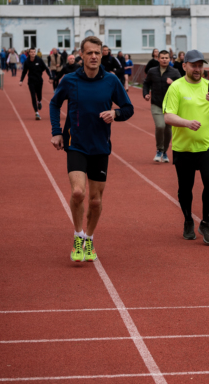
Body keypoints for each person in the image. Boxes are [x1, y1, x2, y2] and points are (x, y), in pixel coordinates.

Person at [49, 35, 134, 262]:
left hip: (100, 147)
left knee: (95, 201)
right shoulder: (69, 80)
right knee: (78, 192)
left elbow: (128, 108)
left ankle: (90, 238)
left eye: (97, 52)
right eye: (90, 53)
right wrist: (56, 131)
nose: (94, 56)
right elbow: (55, 102)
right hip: (75, 144)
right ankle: (78, 236)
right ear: (82, 55)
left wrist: (115, 113)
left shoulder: (111, 81)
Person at [163, 50, 209, 244]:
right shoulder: (176, 87)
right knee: (185, 188)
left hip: (208, 145)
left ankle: (206, 223)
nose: (198, 69)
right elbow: (167, 116)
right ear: (184, 66)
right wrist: (186, 123)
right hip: (183, 147)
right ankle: (187, 220)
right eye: (194, 65)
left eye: (200, 65)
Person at [143, 50, 181, 163]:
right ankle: (159, 150)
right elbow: (146, 83)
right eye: (162, 58)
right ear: (158, 59)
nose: (164, 59)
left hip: (170, 105)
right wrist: (145, 93)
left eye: (166, 58)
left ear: (169, 59)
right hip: (156, 103)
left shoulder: (174, 72)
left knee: (168, 128)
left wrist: (173, 83)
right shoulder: (152, 71)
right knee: (160, 126)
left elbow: (182, 86)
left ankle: (164, 152)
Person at [19, 48, 53, 120]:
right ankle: (36, 113)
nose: (33, 53)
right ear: (29, 53)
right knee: (33, 96)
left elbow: (46, 68)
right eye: (31, 52)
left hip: (39, 81)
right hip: (31, 81)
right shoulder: (27, 62)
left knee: (39, 96)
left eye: (34, 52)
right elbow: (24, 72)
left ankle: (39, 101)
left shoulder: (39, 60)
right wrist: (21, 80)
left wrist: (50, 77)